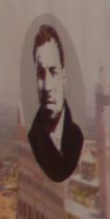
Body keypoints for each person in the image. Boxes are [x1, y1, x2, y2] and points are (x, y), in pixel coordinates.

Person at [27, 24, 84, 185]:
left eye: (53, 72)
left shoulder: (77, 137)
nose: (47, 86)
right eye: (40, 73)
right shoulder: (32, 139)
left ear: (63, 77)